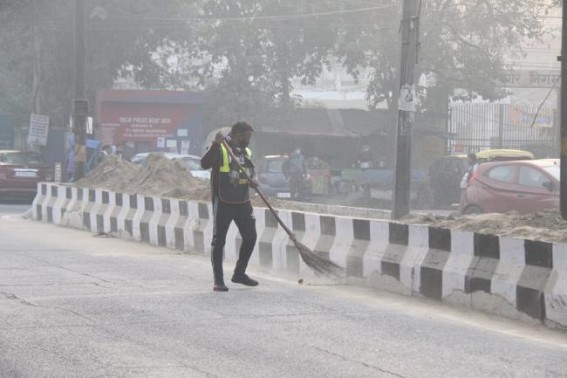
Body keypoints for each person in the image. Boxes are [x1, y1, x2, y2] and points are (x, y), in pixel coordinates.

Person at [200, 121, 259, 292]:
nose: (248, 141)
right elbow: (204, 164)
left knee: (251, 237)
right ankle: (218, 280)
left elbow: (247, 171)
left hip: (243, 202)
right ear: (237, 136)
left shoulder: (245, 151)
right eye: (246, 138)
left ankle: (239, 273)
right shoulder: (221, 148)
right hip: (224, 202)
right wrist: (215, 144)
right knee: (219, 241)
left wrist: (253, 181)